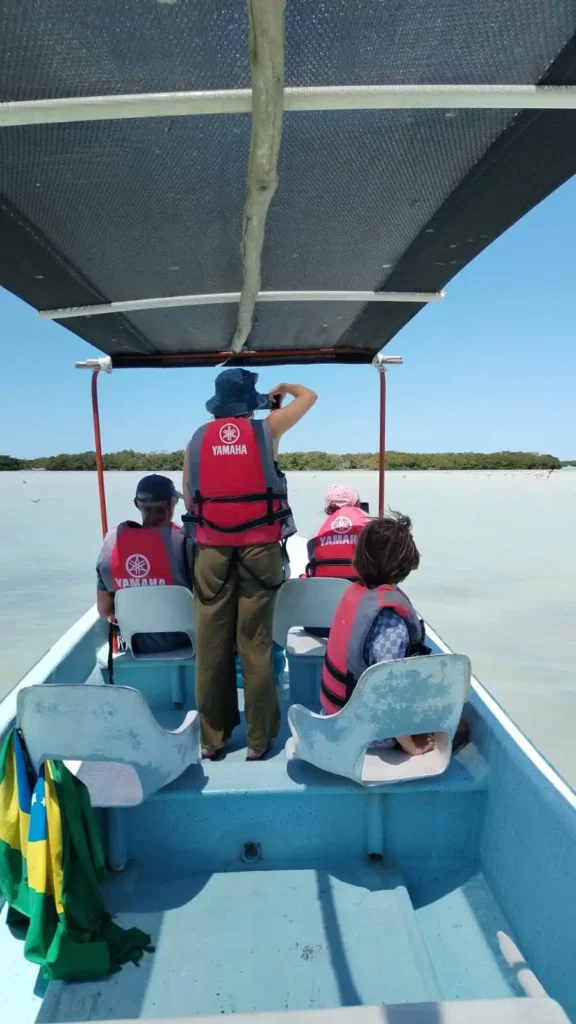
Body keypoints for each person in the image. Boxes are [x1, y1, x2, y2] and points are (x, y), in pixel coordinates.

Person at [183, 368, 317, 761]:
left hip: (212, 555)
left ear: (217, 404)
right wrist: (284, 390)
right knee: (255, 646)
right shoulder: (267, 430)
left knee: (211, 649)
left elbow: (191, 500)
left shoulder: (195, 439)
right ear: (250, 403)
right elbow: (309, 396)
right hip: (260, 551)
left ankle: (213, 739)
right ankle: (258, 742)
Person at [320, 512, 440, 756]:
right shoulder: (391, 624)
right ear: (408, 563)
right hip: (369, 732)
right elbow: (386, 690)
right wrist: (410, 744)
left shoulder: (357, 596)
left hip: (334, 715)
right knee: (460, 727)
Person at [96, 474, 191, 655]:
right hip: (187, 641)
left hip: (135, 643)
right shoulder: (184, 542)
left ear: (136, 504)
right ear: (171, 504)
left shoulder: (110, 546)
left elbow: (104, 609)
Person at [306, 484, 370, 580]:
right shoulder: (372, 525)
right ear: (356, 502)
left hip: (325, 589)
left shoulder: (316, 534)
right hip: (365, 589)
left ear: (328, 508)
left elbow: (312, 559)